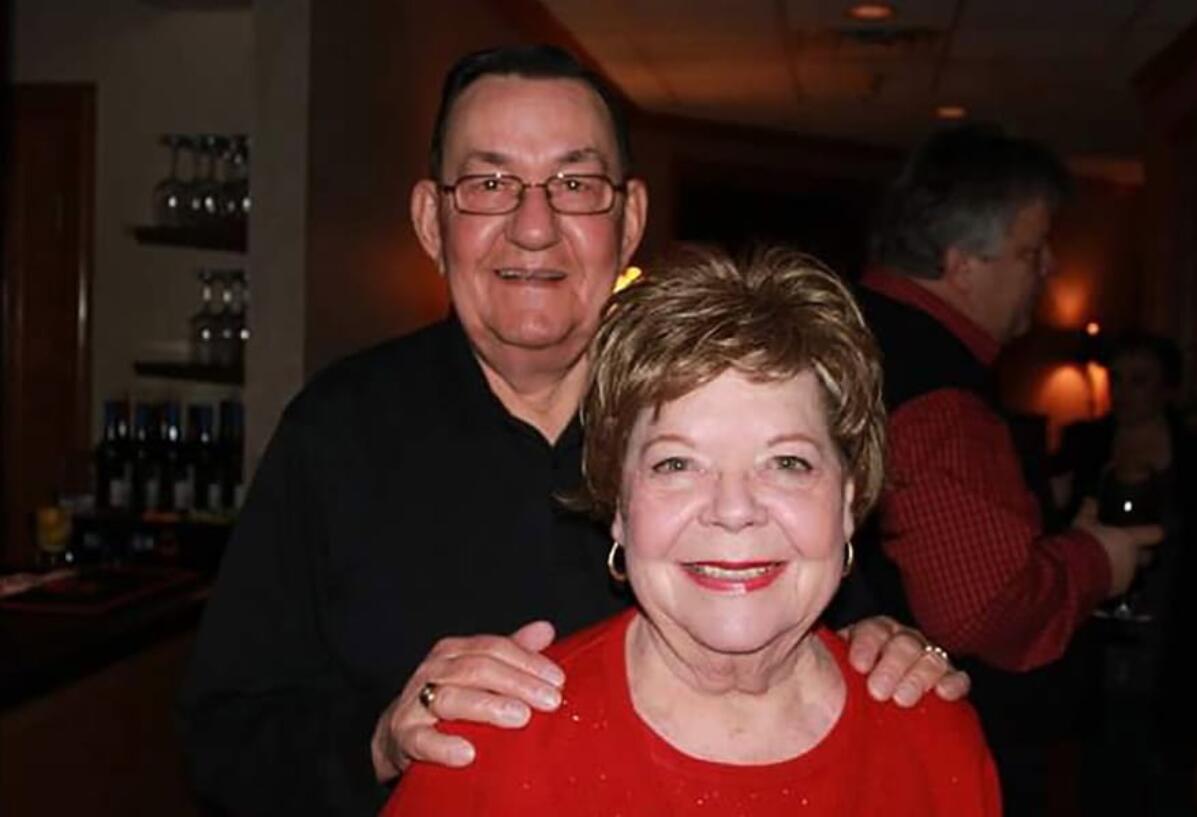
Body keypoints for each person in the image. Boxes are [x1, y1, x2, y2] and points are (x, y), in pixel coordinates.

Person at [178, 45, 969, 817]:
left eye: (575, 184)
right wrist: (381, 738)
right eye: (490, 182)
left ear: (628, 220)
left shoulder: (715, 414)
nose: (533, 225)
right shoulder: (336, 432)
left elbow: (827, 609)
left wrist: (891, 647)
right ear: (431, 219)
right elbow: (223, 739)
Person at [383, 248, 1001, 817]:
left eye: (787, 463)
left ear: (846, 502)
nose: (733, 510)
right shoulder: (488, 750)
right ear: (619, 505)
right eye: (676, 464)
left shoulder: (932, 738)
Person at [852, 124, 1164, 816]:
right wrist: (1097, 560)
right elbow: (983, 608)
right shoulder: (936, 389)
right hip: (943, 748)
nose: (1049, 268)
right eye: (1032, 250)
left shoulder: (854, 329)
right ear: (963, 265)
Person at [1052, 331, 1197, 817]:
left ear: (1167, 388)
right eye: (1118, 380)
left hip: (1176, 640)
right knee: (1098, 779)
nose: (1125, 393)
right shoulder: (1084, 444)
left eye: (1140, 381)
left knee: (1167, 785)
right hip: (1098, 643)